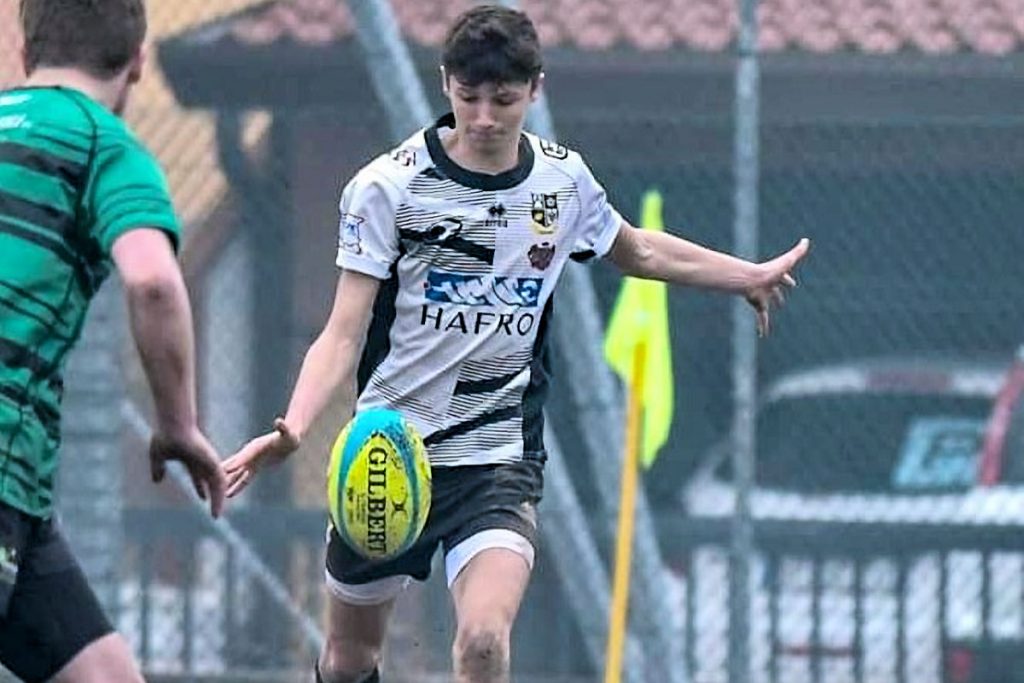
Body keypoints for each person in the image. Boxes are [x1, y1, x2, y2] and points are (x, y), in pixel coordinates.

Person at [223, 5, 809, 683]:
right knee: (349, 660)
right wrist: (295, 425)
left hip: (496, 461)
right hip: (390, 451)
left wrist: (746, 276)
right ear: (445, 84)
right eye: (468, 97)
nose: (483, 117)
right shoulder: (388, 187)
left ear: (535, 90)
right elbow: (343, 331)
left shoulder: (562, 183)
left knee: (482, 641)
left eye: (502, 100)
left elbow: (639, 250)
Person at [0, 1, 226, 681]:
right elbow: (152, 281)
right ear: (137, 62)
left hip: (22, 499)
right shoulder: (105, 146)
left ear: (25, 53)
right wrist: (178, 424)